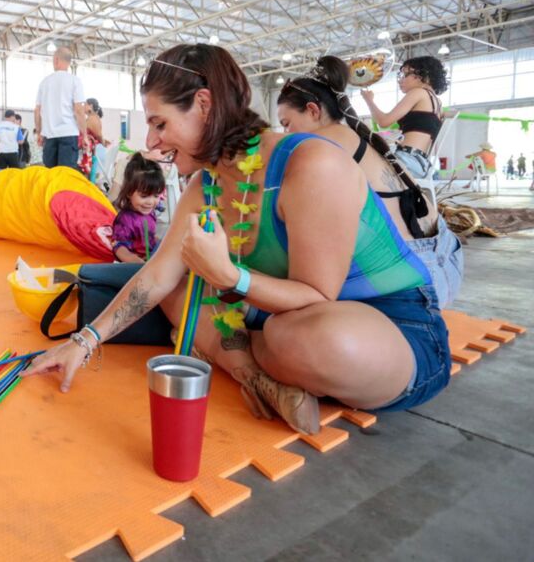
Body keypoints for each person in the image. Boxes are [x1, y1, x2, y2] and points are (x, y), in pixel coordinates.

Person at [24, 44, 451, 437]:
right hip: (275, 318)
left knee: (309, 339)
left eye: (160, 123)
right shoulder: (204, 185)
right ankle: (258, 379)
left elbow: (317, 298)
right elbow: (155, 276)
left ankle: (243, 358)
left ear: (204, 105)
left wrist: (229, 279)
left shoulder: (311, 164)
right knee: (175, 290)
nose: (152, 141)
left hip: (388, 326)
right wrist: (83, 342)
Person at [276, 56, 462, 307]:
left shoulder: (325, 141)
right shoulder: (355, 137)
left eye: (287, 124)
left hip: (417, 277)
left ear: (312, 110)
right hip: (446, 254)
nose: (286, 133)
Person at [361, 56, 448, 180]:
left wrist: (368, 100)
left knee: (356, 165)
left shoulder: (418, 92)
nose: (400, 80)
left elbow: (383, 122)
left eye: (405, 75)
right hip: (422, 164)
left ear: (424, 76)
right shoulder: (437, 102)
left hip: (406, 160)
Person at [35, 47, 86, 169]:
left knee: (51, 176)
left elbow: (37, 111)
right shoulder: (75, 81)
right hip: (68, 135)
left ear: (56, 60)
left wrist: (39, 132)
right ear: (69, 62)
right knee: (66, 176)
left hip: (49, 136)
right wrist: (84, 134)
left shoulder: (44, 82)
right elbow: (79, 110)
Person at [112, 154, 165, 263]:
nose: (150, 202)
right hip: (133, 266)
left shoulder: (149, 213)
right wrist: (136, 261)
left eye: (156, 196)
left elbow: (148, 237)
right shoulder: (125, 219)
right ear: (129, 192)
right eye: (144, 196)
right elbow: (119, 247)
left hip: (150, 259)